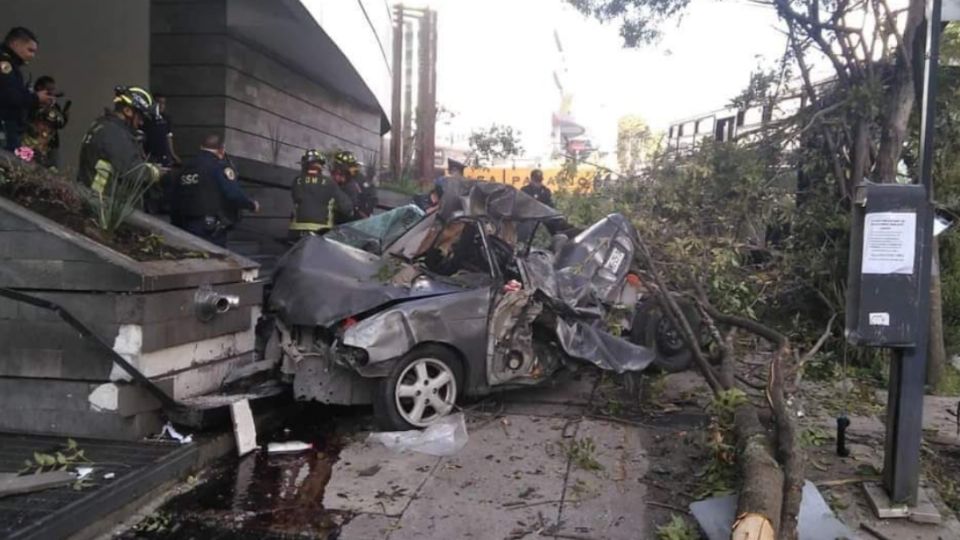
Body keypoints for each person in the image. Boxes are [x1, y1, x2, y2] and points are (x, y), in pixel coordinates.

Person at [172, 133, 259, 247]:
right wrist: (251, 205)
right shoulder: (219, 166)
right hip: (210, 228)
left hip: (186, 225)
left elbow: (174, 195)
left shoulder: (186, 167)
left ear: (201, 147)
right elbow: (233, 194)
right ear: (221, 150)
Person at [77, 86, 160, 195]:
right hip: (104, 204)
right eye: (140, 117)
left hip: (94, 198)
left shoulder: (103, 126)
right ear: (127, 111)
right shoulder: (114, 133)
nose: (141, 123)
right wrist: (155, 172)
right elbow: (132, 171)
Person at [0, 27, 53, 151]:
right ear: (15, 44)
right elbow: (10, 96)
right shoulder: (5, 65)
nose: (32, 56)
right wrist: (36, 98)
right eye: (30, 50)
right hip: (5, 129)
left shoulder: (10, 64)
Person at [288, 148, 353, 238]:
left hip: (296, 230)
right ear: (320, 165)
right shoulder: (329, 183)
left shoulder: (296, 181)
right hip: (321, 231)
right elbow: (346, 207)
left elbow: (297, 198)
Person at [21, 75, 68, 167]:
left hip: (49, 146)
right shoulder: (30, 102)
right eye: (49, 92)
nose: (51, 96)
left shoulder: (54, 107)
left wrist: (63, 118)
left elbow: (58, 122)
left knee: (53, 167)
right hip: (28, 144)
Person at [142, 94, 180, 167]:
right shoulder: (146, 119)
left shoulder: (166, 118)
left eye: (163, 103)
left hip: (164, 154)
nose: (161, 105)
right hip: (150, 153)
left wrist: (172, 154)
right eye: (159, 103)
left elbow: (169, 136)